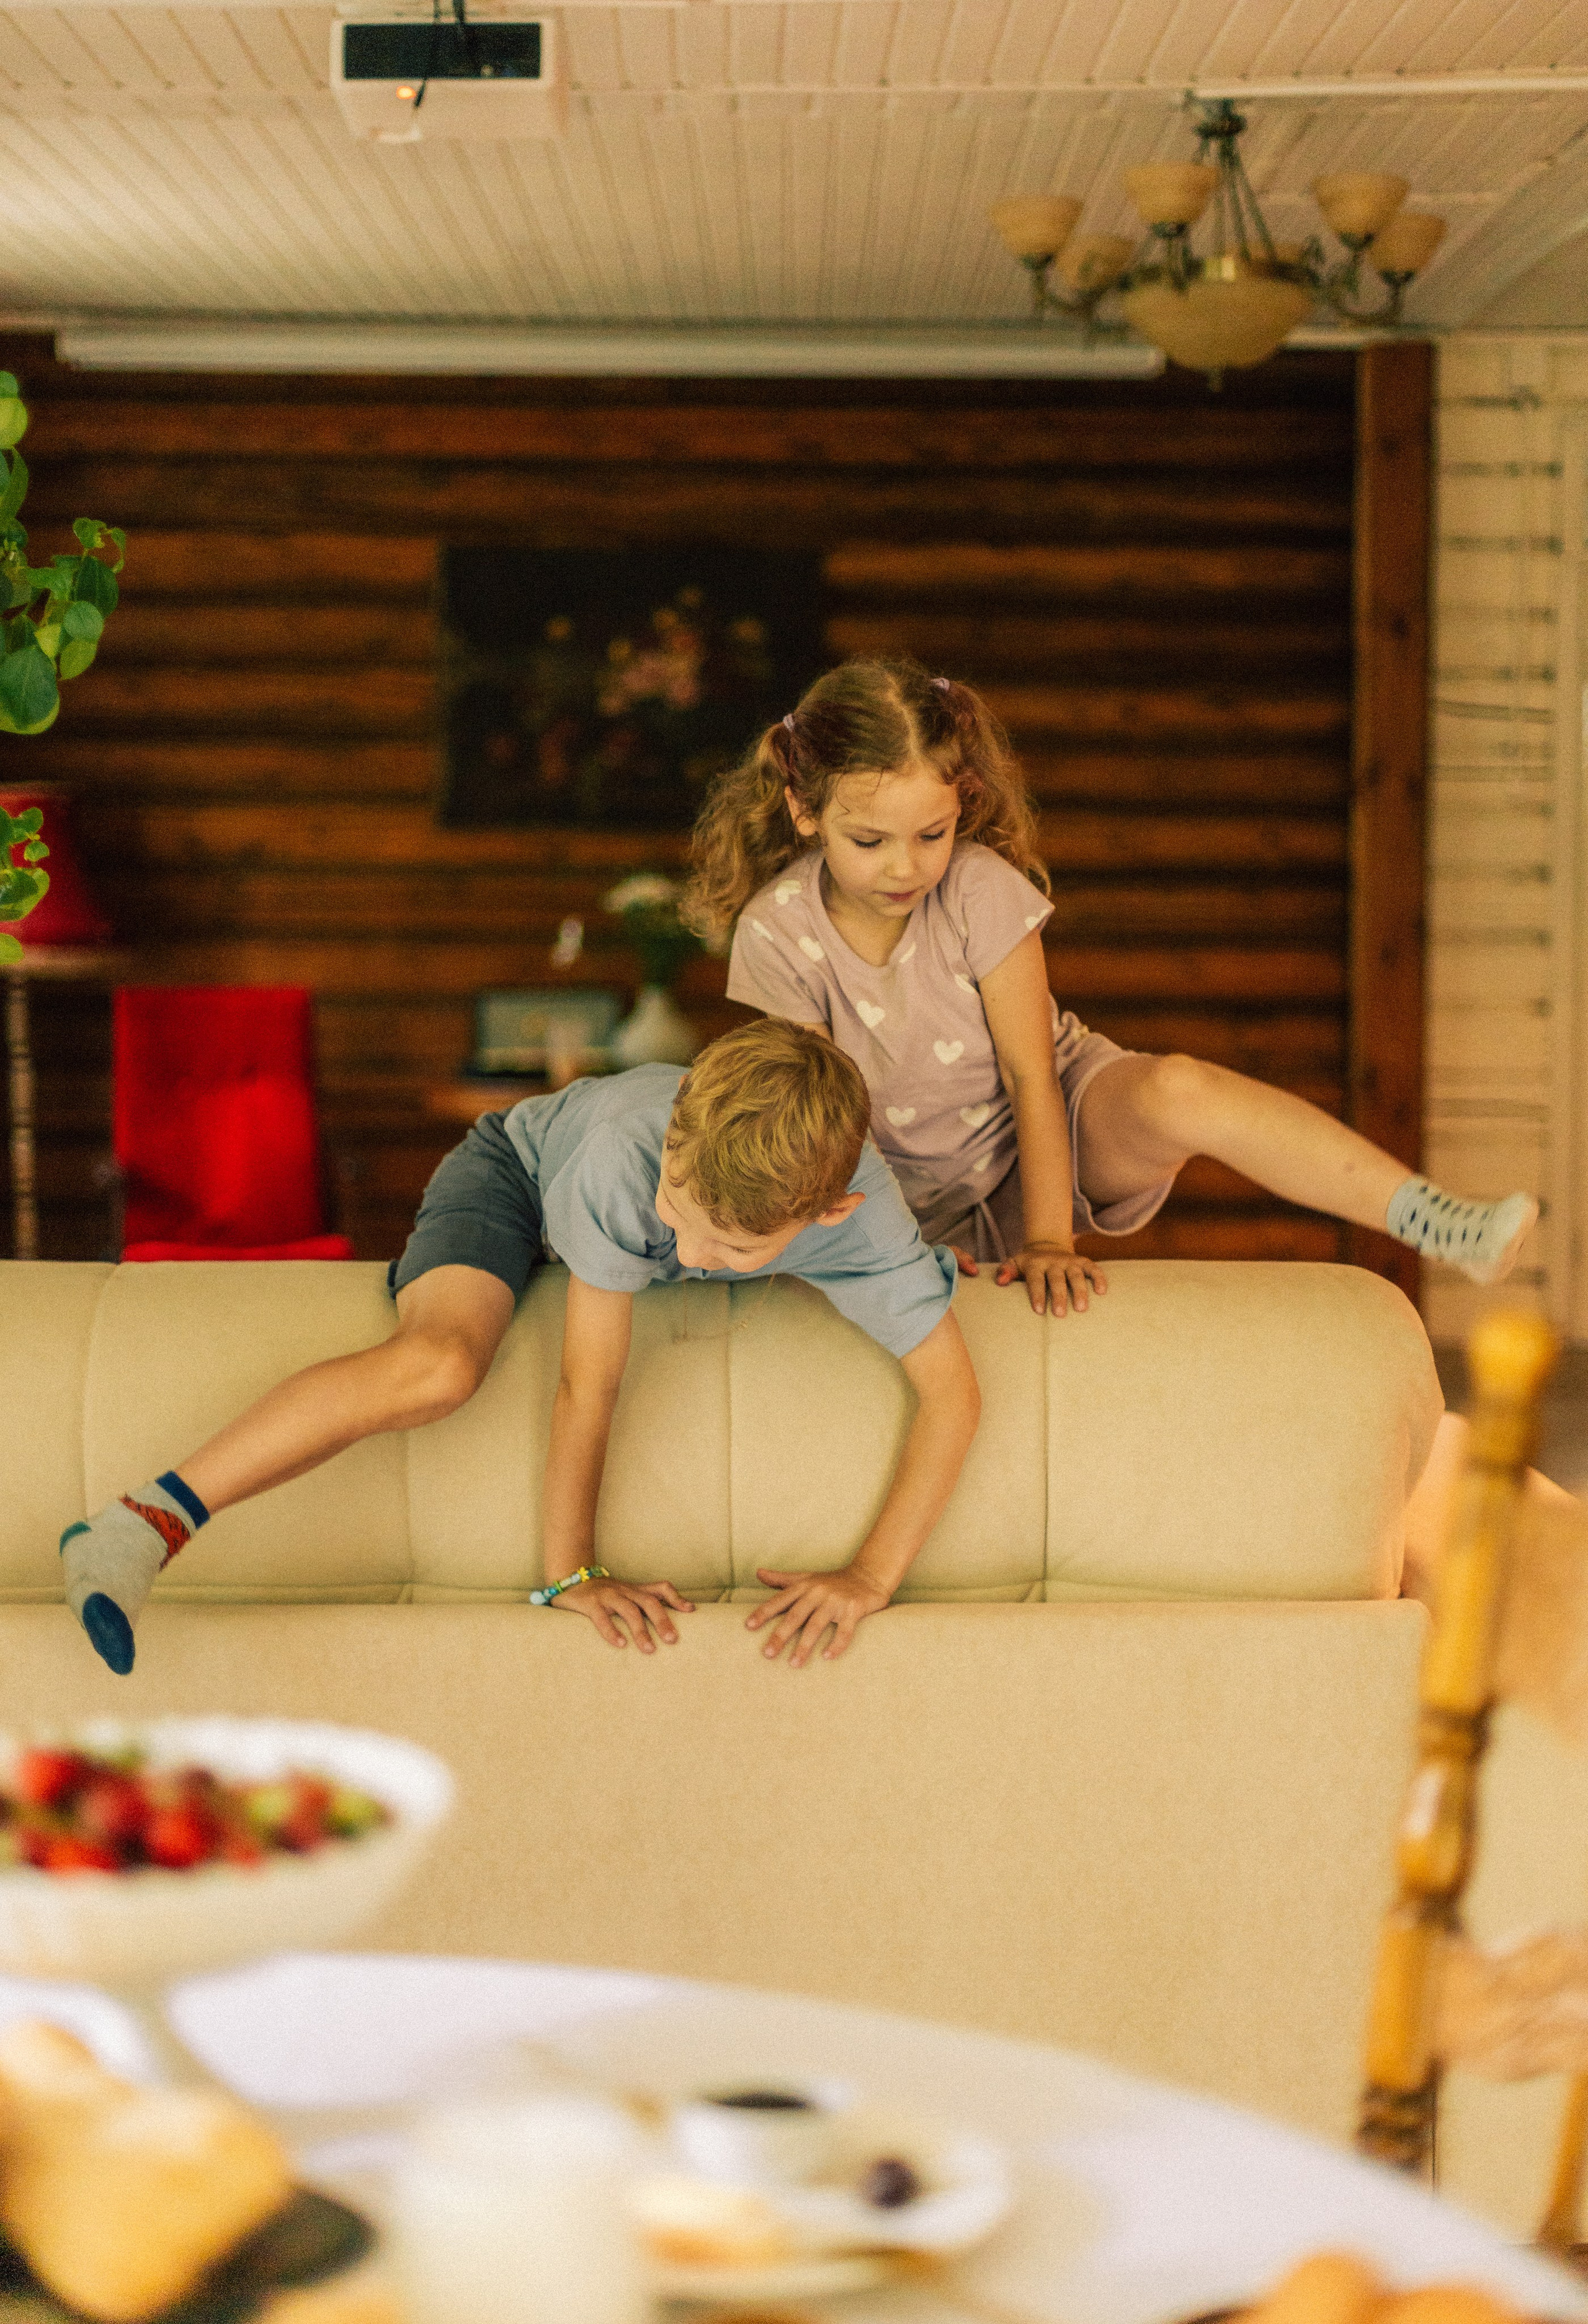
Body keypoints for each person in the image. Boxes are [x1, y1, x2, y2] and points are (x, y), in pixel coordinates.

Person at [60, 1019, 979, 1676]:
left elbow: (953, 1394)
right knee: (442, 1367)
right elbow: (590, 1380)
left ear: (832, 1213)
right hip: (517, 1175)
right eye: (678, 1212)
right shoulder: (631, 1157)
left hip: (653, 1193)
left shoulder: (868, 1225)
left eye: (732, 1252)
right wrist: (569, 1571)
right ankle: (139, 1523)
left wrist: (870, 1576)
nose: (690, 1256)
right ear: (680, 1124)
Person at [687, 658, 1538, 1320]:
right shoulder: (778, 931)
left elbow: (1030, 1076)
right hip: (894, 1187)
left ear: (963, 802)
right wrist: (892, 1257)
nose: (905, 866)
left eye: (932, 833)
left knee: (1181, 1088)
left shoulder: (979, 888)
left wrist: (1050, 1238)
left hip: (1050, 1124)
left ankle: (1432, 1219)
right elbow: (819, 1119)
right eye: (868, 840)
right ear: (804, 810)